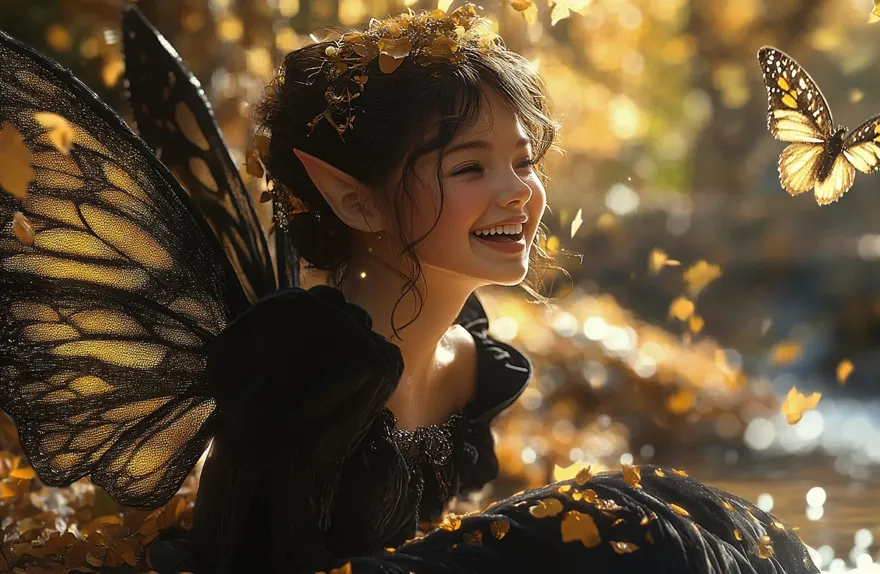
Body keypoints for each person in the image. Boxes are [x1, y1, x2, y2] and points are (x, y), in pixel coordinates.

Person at [0, 5, 820, 573]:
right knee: (626, 534)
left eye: (524, 162)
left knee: (704, 516)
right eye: (471, 167)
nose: (519, 193)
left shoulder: (470, 363)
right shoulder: (307, 359)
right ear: (354, 197)